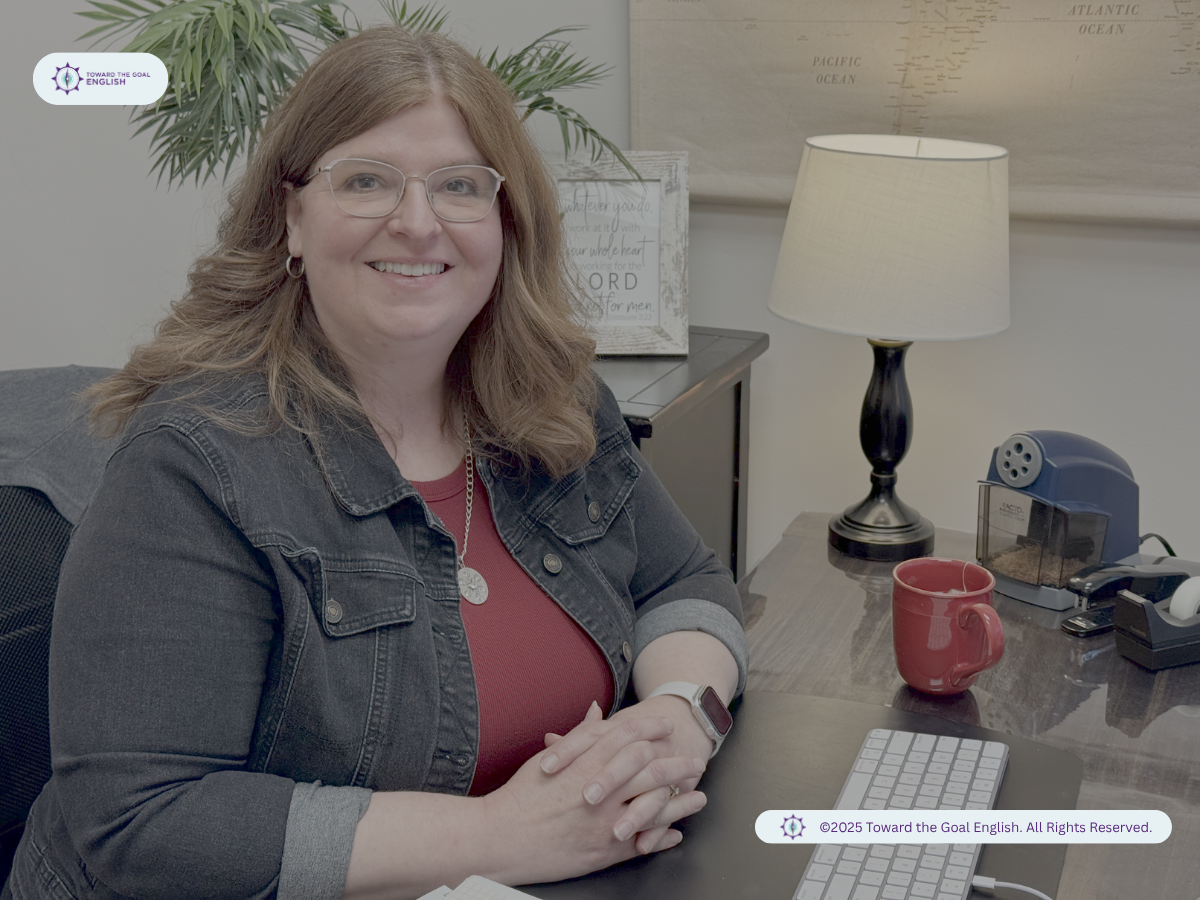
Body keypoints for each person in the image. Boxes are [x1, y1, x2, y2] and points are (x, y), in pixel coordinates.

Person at [4, 25, 745, 900]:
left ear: (505, 221)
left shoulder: (554, 403)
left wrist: (680, 716)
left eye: (460, 186)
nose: (418, 223)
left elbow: (684, 580)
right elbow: (143, 821)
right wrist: (499, 837)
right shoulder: (193, 464)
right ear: (291, 217)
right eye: (366, 181)